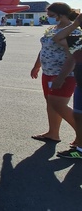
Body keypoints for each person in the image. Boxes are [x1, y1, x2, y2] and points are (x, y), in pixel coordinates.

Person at [30, 2, 81, 144]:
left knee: (59, 104)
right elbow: (44, 48)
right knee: (51, 103)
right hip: (48, 72)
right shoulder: (52, 29)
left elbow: (72, 57)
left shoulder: (73, 31)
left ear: (61, 14)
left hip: (63, 74)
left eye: (51, 15)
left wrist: (61, 77)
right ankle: (53, 133)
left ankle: (80, 135)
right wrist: (37, 65)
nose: (48, 17)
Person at [51, 12, 82, 159]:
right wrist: (75, 24)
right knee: (78, 115)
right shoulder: (78, 40)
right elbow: (57, 38)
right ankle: (79, 149)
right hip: (80, 83)